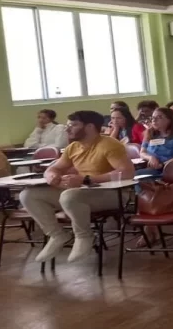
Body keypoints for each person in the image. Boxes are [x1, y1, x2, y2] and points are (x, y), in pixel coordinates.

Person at [19, 111, 135, 263]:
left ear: (89, 127)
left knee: (69, 196)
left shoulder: (109, 144)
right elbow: (54, 168)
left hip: (113, 194)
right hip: (83, 193)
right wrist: (51, 176)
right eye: (68, 125)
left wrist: (85, 179)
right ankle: (57, 235)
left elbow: (126, 173)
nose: (68, 129)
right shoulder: (73, 147)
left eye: (73, 125)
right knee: (28, 195)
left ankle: (84, 236)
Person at [138, 107, 173, 177]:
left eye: (159, 117)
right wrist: (151, 158)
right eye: (152, 118)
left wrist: (163, 165)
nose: (154, 120)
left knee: (143, 180)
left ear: (170, 120)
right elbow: (142, 152)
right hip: (153, 168)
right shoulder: (150, 133)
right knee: (134, 176)